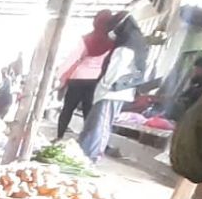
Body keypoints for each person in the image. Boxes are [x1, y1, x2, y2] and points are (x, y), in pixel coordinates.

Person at [79, 13, 147, 163]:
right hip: (119, 91)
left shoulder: (126, 45)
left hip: (111, 92)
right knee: (97, 124)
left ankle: (91, 157)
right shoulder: (136, 41)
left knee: (100, 125)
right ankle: (85, 153)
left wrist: (105, 84)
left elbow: (116, 69)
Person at [55, 10, 116, 140]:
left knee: (68, 108)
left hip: (77, 78)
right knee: (88, 111)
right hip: (95, 81)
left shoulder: (86, 39)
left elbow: (72, 58)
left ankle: (59, 136)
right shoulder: (112, 43)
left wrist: (58, 74)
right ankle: (87, 139)